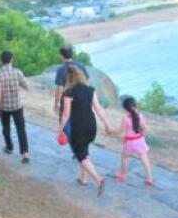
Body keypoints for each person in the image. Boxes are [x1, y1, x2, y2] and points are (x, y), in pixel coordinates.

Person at [59, 66, 112, 197]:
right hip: (91, 126)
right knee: (84, 150)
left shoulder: (69, 93)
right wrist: (107, 124)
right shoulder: (90, 90)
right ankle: (83, 178)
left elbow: (65, 115)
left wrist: (60, 130)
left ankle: (98, 179)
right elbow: (99, 109)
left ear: (68, 79)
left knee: (80, 155)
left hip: (79, 127)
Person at [0, 51, 30, 164]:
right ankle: (25, 153)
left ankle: (9, 147)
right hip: (17, 106)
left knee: (6, 128)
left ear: (1, 60)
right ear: (11, 59)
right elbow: (26, 86)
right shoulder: (17, 72)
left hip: (4, 107)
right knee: (21, 129)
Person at [113, 97, 153, 186]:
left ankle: (123, 175)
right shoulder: (140, 116)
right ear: (135, 105)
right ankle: (149, 178)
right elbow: (144, 128)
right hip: (139, 140)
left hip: (129, 142)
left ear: (125, 108)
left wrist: (112, 132)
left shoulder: (125, 118)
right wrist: (141, 133)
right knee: (145, 159)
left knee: (125, 157)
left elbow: (120, 131)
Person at [54, 46, 89, 138]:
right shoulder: (81, 66)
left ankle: (76, 147)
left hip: (66, 101)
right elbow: (86, 82)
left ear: (61, 56)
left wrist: (56, 103)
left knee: (65, 125)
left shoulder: (61, 70)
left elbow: (60, 89)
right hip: (80, 100)